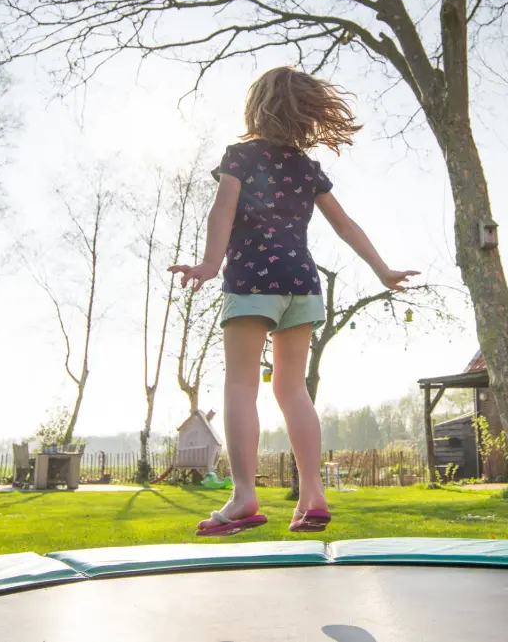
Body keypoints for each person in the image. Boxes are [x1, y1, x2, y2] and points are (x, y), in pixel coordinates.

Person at [169, 66, 417, 536]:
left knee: (241, 385)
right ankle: (313, 495)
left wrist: (207, 264)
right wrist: (382, 269)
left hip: (252, 280)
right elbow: (345, 225)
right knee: (292, 389)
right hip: (302, 283)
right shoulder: (307, 167)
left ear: (257, 107)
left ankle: (244, 496)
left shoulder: (239, 157)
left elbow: (221, 210)